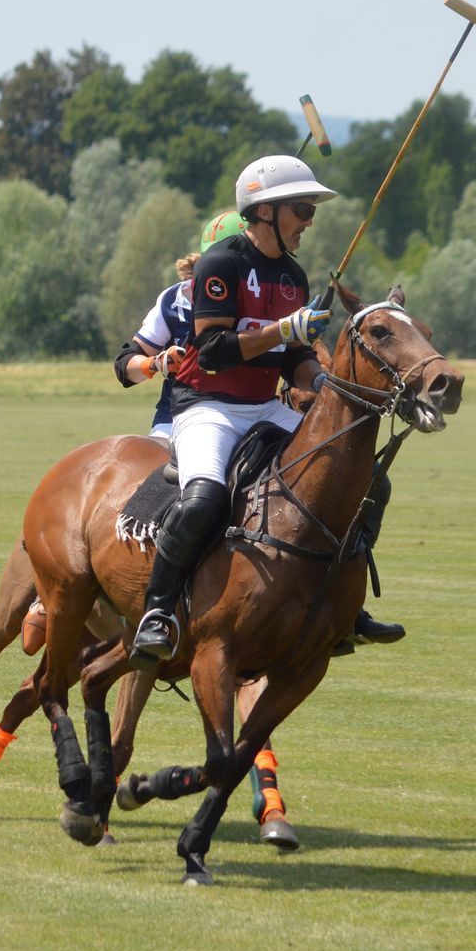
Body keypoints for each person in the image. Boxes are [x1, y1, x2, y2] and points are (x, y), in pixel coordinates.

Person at [129, 155, 342, 674]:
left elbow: (293, 359)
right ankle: (157, 612)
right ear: (265, 211)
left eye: (311, 210)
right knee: (205, 499)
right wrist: (282, 330)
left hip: (265, 407)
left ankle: (341, 604)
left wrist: (322, 382)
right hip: (207, 407)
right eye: (302, 209)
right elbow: (215, 351)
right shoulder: (219, 265)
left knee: (347, 473)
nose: (309, 221)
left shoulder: (293, 275)